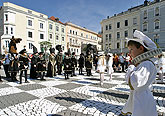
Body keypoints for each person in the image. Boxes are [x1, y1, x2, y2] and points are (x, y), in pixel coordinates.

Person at [120, 30, 162, 116]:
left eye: (131, 49)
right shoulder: (144, 63)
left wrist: (131, 67)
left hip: (142, 99)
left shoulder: (146, 64)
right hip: (141, 96)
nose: (130, 53)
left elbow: (135, 82)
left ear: (141, 48)